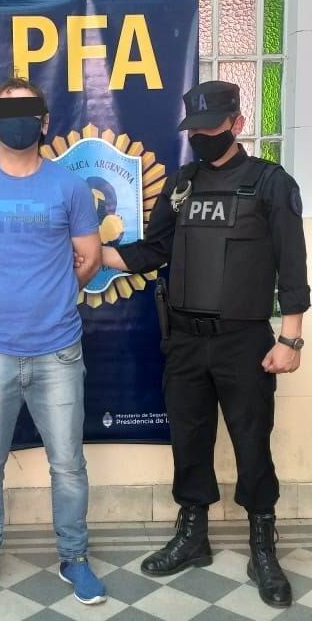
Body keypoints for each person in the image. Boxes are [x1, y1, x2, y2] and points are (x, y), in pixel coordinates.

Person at [102, 80, 309, 609]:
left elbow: (292, 267)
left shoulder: (270, 183)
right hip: (185, 341)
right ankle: (193, 534)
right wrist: (92, 252)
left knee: (251, 442)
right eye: (194, 130)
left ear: (237, 124)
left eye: (211, 128)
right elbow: (152, 251)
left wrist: (291, 338)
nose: (201, 138)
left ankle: (263, 543)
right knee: (189, 441)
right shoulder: (182, 184)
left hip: (245, 343)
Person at [0, 77, 106, 608]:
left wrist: (55, 293)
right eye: (7, 113)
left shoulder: (68, 188)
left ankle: (74, 557)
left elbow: (90, 258)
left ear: (44, 121)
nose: (18, 122)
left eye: (28, 112)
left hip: (58, 350)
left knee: (68, 464)